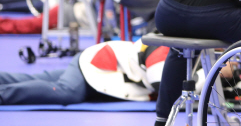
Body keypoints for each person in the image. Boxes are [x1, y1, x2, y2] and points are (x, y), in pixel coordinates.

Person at [0, 39, 168, 105]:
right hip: (98, 66)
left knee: (39, 78)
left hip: (102, 68)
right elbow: (166, 92)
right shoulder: (163, 52)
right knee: (67, 92)